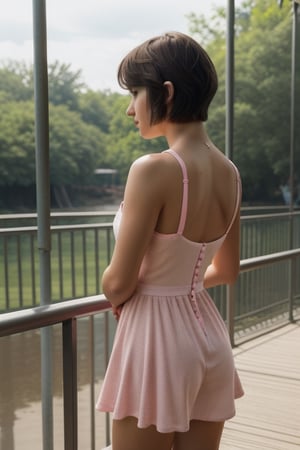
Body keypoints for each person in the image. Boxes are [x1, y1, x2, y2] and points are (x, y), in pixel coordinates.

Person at [96, 31, 244, 450]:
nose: (130, 109)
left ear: (166, 92)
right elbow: (227, 270)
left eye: (135, 93)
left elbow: (117, 284)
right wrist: (181, 286)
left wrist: (129, 289)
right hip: (210, 339)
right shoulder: (230, 174)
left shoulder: (153, 170)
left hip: (156, 343)